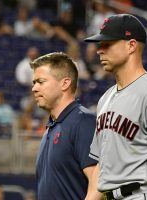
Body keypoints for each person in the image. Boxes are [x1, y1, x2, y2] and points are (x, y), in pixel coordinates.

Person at [84, 14, 147, 200]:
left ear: (131, 45)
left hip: (143, 193)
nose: (99, 50)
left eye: (108, 43)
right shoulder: (105, 99)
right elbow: (101, 166)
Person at [30, 52, 98, 199]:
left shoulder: (83, 122)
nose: (34, 88)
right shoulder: (51, 128)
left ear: (65, 83)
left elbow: (98, 186)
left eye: (40, 82)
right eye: (34, 83)